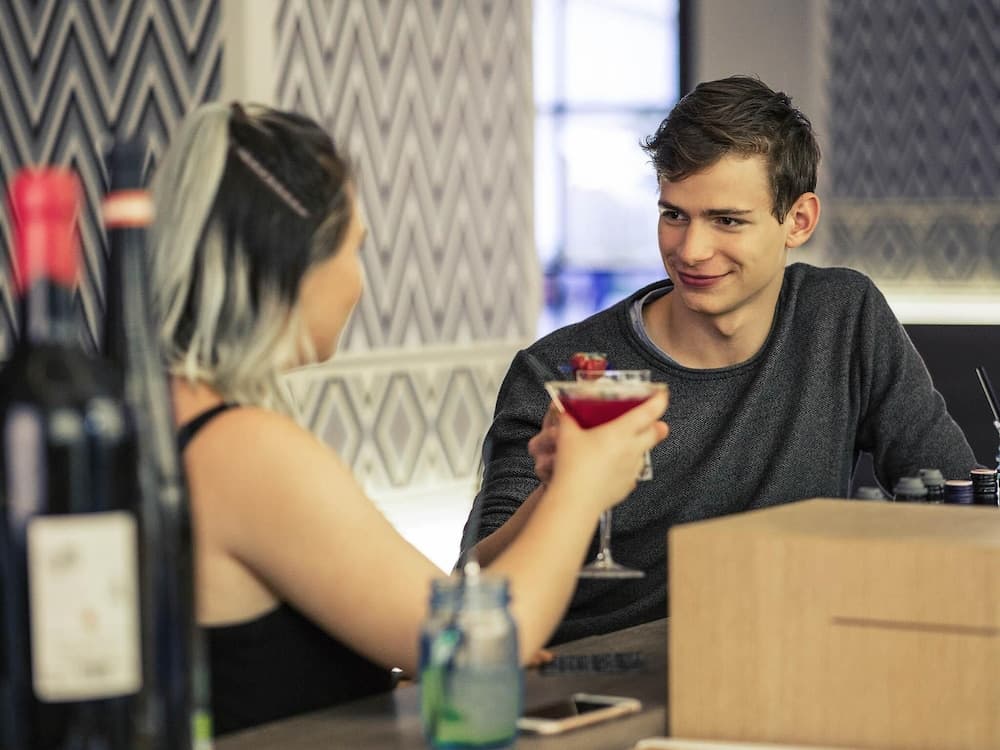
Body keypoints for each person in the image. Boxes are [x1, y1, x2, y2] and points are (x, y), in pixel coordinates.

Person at [147, 102, 669, 735]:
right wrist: (584, 490)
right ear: (293, 259)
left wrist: (557, 489)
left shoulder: (165, 416)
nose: (358, 283)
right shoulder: (243, 450)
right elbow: (479, 648)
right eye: (355, 249)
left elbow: (412, 619)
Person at [463, 75, 978, 645]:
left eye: (727, 220)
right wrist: (564, 489)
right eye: (674, 215)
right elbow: (473, 584)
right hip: (593, 673)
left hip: (779, 656)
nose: (691, 250)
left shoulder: (843, 316)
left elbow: (958, 502)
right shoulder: (560, 370)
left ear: (798, 221)